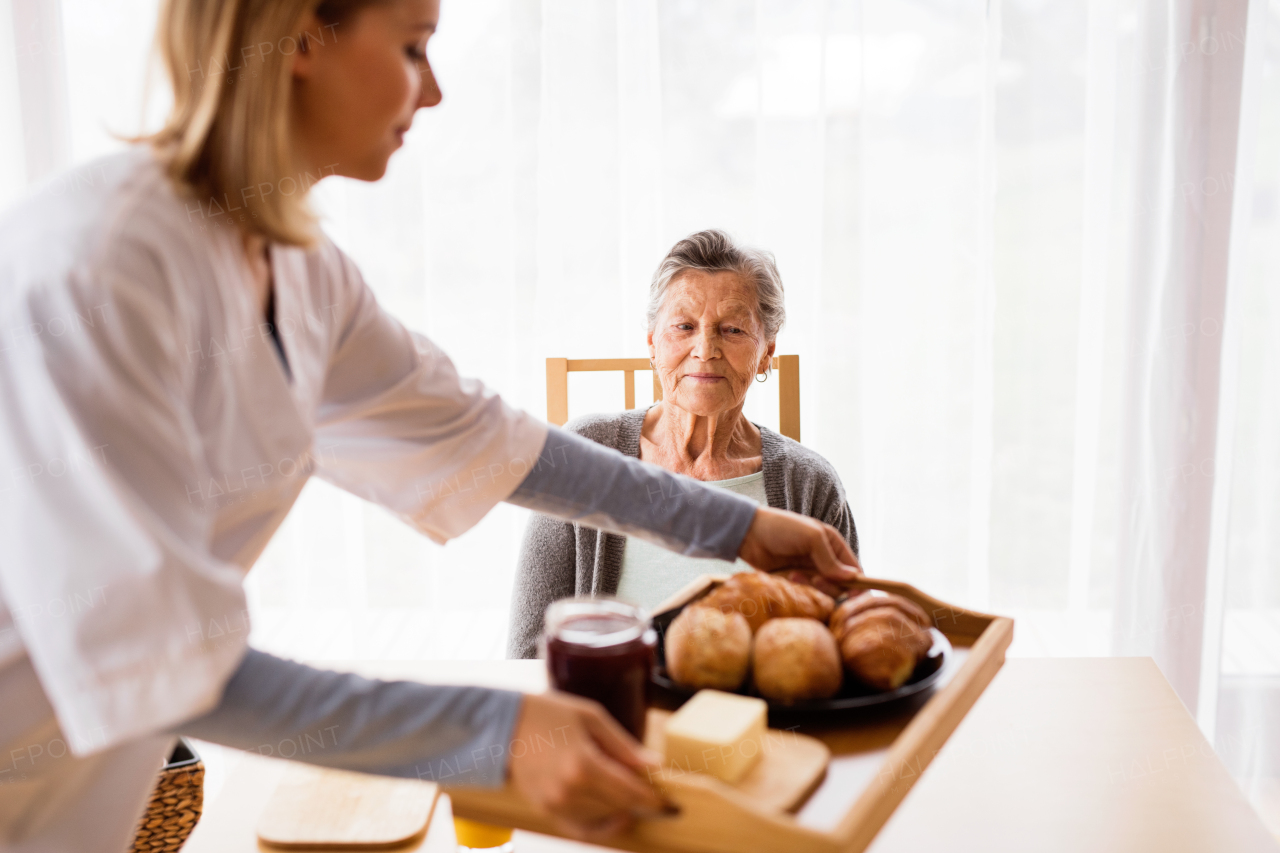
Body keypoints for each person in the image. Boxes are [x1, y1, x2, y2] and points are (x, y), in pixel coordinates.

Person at [0, 1, 862, 850]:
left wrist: (738, 525)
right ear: (301, 35)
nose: (436, 90)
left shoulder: (301, 273)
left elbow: (488, 439)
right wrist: (493, 731)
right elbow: (165, 666)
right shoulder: (97, 265)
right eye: (415, 48)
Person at [508, 230, 858, 658]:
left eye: (731, 329)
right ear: (653, 344)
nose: (705, 349)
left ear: (767, 351)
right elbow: (527, 654)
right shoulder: (583, 451)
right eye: (684, 326)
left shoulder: (812, 485)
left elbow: (843, 647)